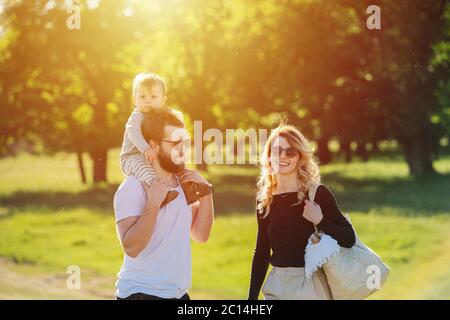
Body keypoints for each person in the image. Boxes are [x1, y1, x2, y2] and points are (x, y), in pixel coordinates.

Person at [114, 108, 214, 300]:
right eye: (175, 142)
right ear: (154, 145)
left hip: (179, 295)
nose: (182, 148)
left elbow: (201, 235)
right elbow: (131, 247)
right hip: (142, 294)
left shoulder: (183, 185)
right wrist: (153, 203)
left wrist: (206, 192)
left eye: (184, 141)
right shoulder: (133, 187)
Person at [248, 123, 355, 300]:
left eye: (289, 152)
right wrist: (251, 299)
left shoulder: (317, 194)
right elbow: (262, 251)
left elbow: (349, 238)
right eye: (276, 151)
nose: (282, 156)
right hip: (277, 284)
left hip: (310, 284)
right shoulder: (264, 199)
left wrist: (320, 220)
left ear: (300, 157)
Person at [119, 72, 182, 207]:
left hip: (146, 154)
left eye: (153, 97)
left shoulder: (157, 115)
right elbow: (133, 132)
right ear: (135, 99)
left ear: (163, 100)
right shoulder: (137, 116)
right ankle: (157, 196)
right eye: (142, 97)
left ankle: (180, 189)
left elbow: (173, 118)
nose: (148, 100)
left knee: (163, 167)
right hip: (131, 157)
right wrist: (145, 148)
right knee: (146, 170)